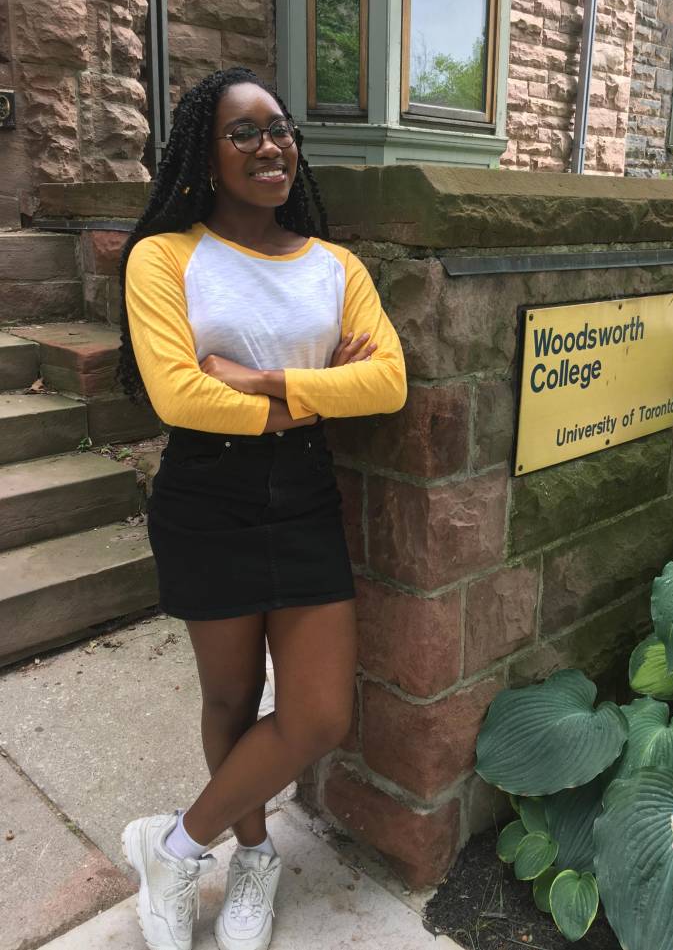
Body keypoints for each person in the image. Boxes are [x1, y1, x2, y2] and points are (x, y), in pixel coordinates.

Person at [115, 66, 407, 950]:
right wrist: (321, 387)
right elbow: (178, 396)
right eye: (243, 132)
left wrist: (264, 379)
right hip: (208, 493)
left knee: (318, 713)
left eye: (278, 128)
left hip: (303, 494)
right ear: (204, 153)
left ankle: (170, 845)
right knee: (232, 697)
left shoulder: (336, 266)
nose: (269, 144)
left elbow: (387, 380)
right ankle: (251, 853)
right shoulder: (163, 257)